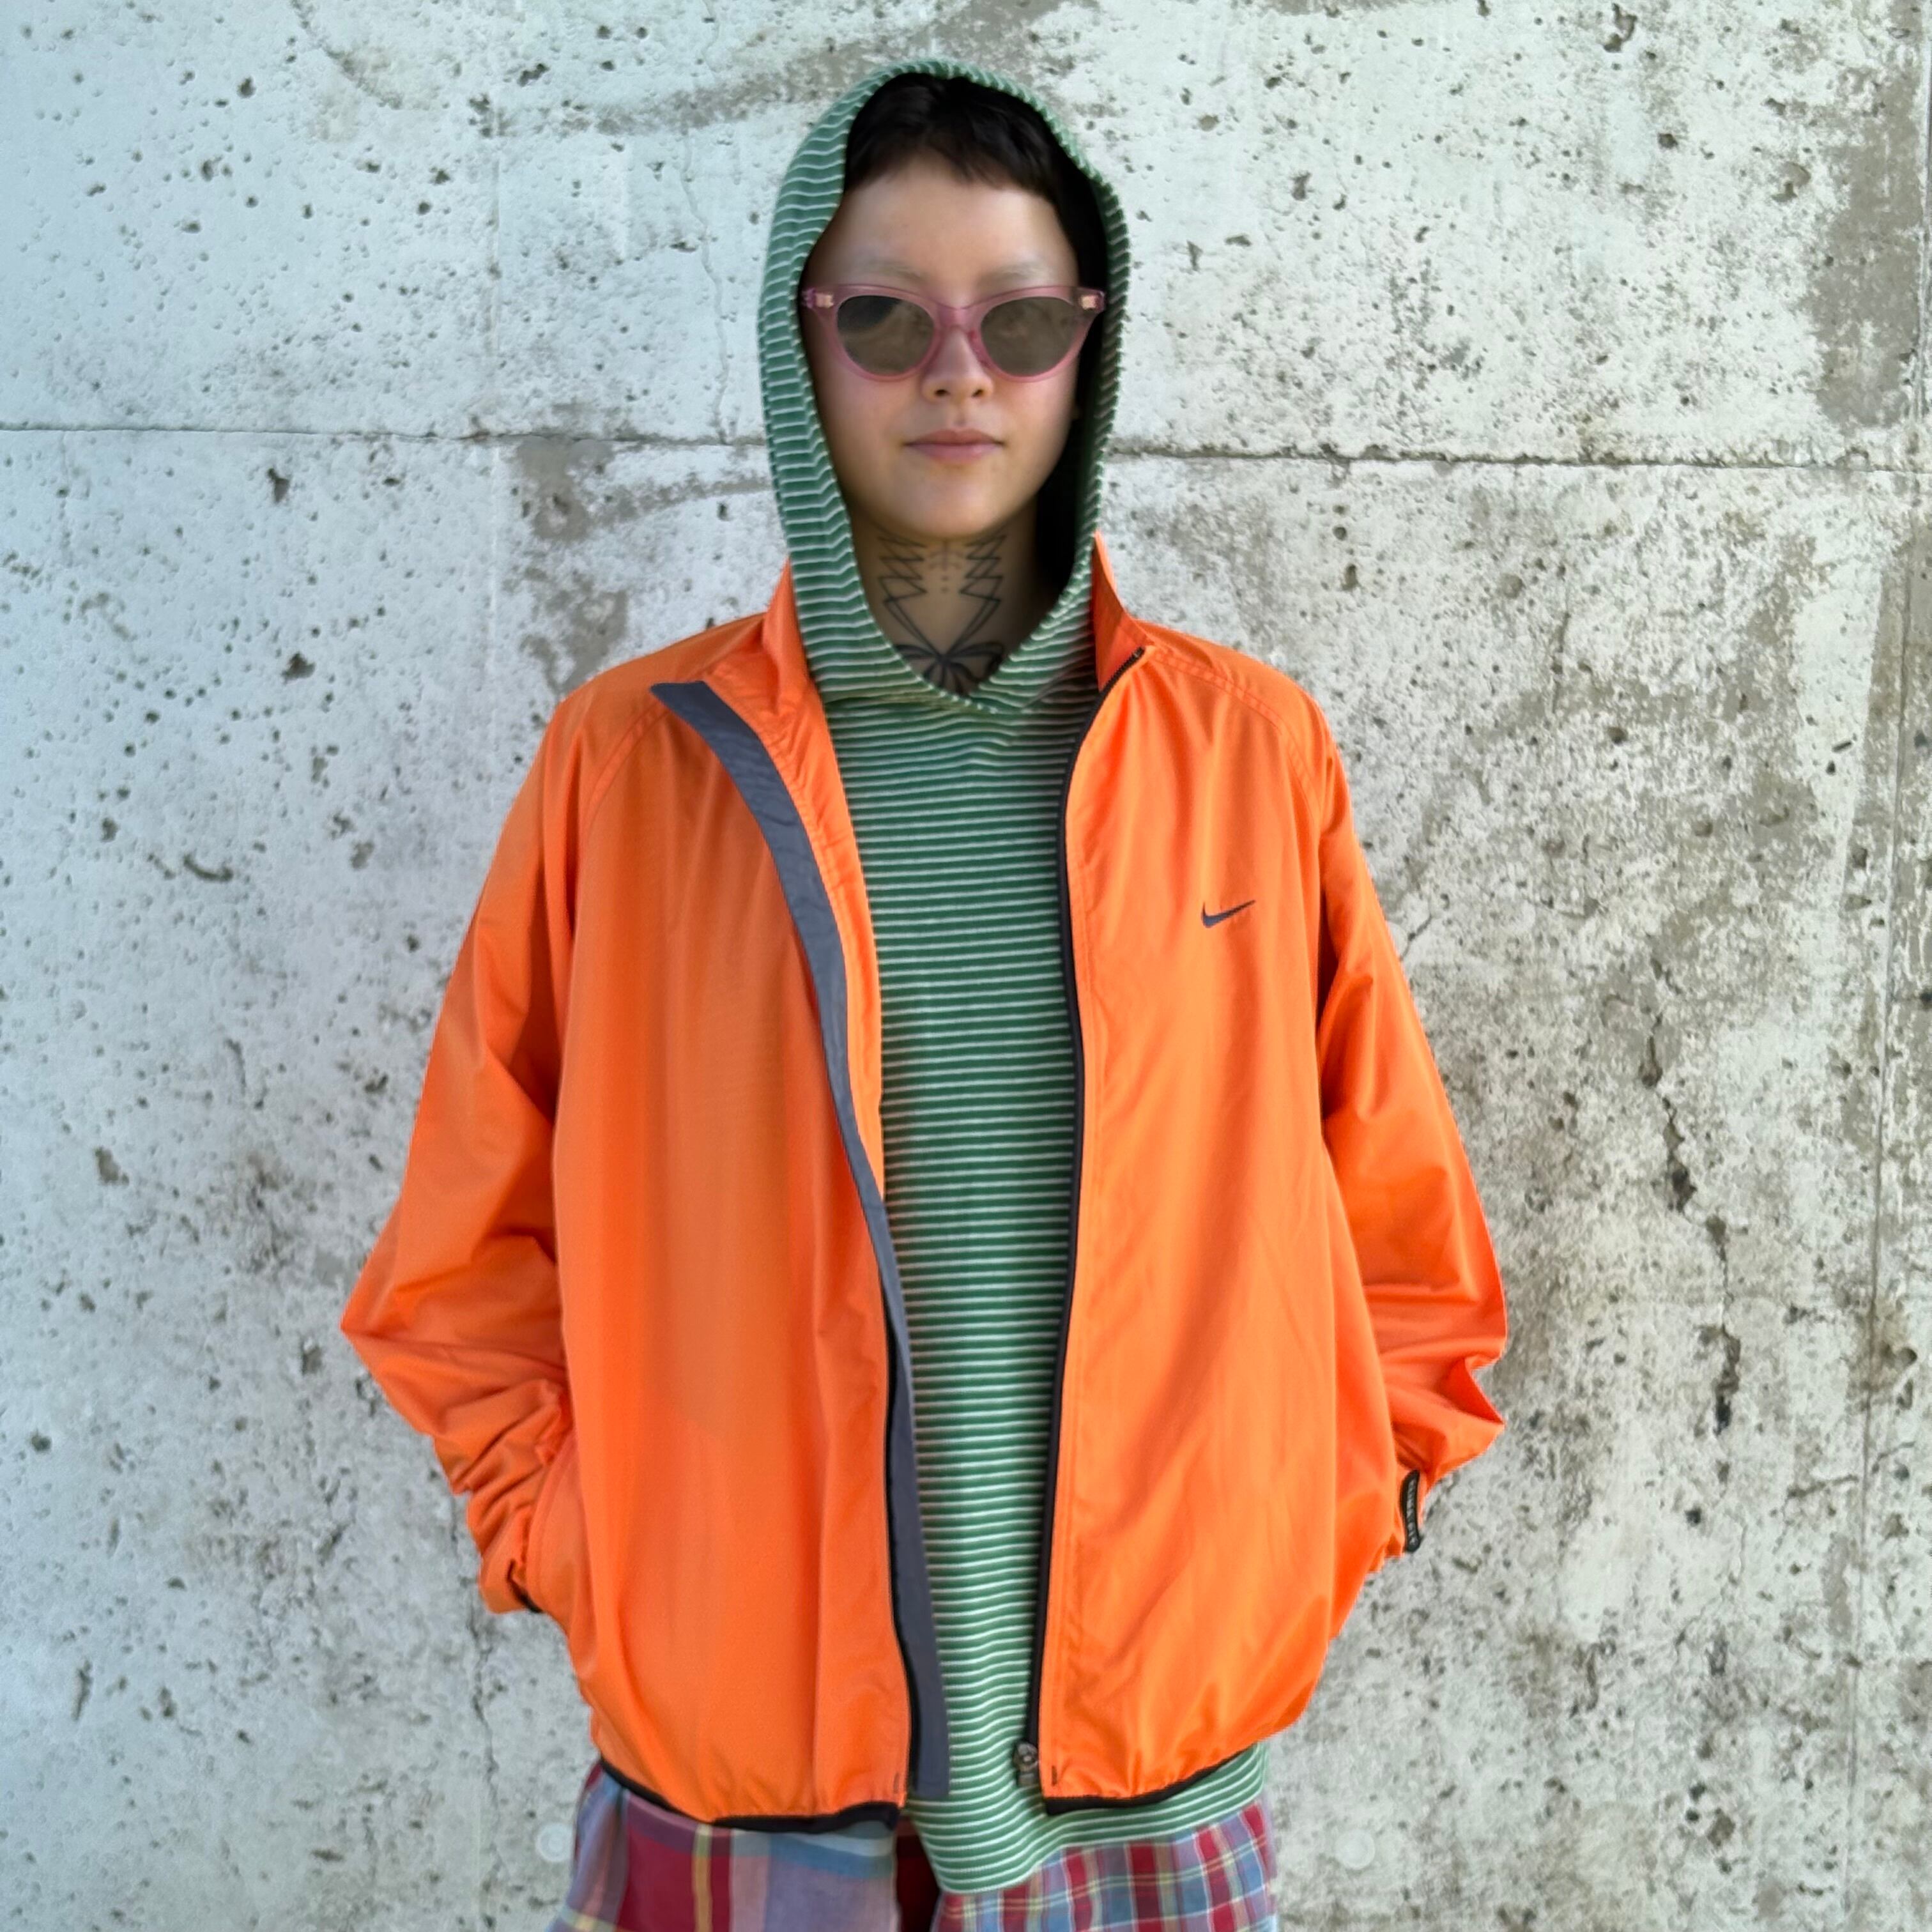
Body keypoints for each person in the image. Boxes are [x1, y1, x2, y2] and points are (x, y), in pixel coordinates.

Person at [338, 55, 1510, 1932]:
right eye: (887, 319)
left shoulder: (1245, 752)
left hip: (1153, 1772)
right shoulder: (633, 765)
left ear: (1082, 351)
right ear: (799, 345)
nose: (958, 373)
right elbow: (463, 1255)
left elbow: (1400, 1225)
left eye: (1018, 321)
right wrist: (583, 1546)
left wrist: (1332, 1511)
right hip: (736, 1785)